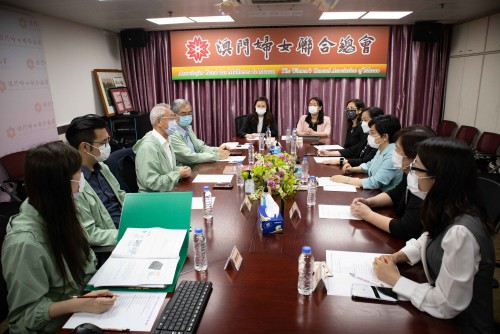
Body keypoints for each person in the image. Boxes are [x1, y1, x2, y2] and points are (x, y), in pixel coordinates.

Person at [373, 137, 495, 333]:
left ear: (439, 178)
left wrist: (395, 280)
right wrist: (398, 257)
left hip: (459, 326)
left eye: (416, 169)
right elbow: (426, 238)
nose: (410, 174)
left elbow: (446, 304)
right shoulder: (448, 206)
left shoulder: (461, 232)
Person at [1, 142, 116, 333]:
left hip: (84, 304)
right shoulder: (24, 244)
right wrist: (80, 304)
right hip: (59, 324)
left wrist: (86, 300)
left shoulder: (62, 210)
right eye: (77, 172)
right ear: (60, 184)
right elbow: (23, 317)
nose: (81, 177)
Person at [349, 125, 436, 240]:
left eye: (397, 149)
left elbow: (406, 229)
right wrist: (369, 202)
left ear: (414, 156)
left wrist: (367, 215)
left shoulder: (424, 183)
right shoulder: (409, 173)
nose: (394, 152)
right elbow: (396, 193)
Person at [66, 114, 122, 245]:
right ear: (85, 147)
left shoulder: (102, 167)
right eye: (103, 143)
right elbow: (90, 234)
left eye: (108, 140)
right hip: (113, 241)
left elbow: (120, 196)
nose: (108, 146)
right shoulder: (75, 184)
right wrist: (126, 234)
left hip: (128, 226)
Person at [331, 115, 402, 192]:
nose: (369, 136)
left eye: (372, 133)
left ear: (385, 136)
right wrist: (354, 169)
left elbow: (374, 183)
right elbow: (370, 165)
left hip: (385, 197)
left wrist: (346, 180)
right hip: (374, 192)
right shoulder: (382, 148)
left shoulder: (393, 156)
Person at [133, 104, 191, 192]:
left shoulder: (166, 140)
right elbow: (151, 183)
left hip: (169, 191)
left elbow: (166, 170)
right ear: (159, 122)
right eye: (171, 119)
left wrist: (180, 170)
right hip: (154, 198)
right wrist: (178, 174)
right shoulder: (148, 148)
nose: (175, 122)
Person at [169, 99, 231, 166]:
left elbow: (200, 148)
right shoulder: (171, 133)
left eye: (189, 113)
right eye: (183, 114)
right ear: (174, 116)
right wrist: (217, 156)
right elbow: (190, 157)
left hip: (197, 167)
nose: (187, 116)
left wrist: (218, 149)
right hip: (185, 172)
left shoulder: (188, 128)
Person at [318, 107, 383, 166]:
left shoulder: (378, 140)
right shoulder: (367, 135)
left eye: (365, 120)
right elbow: (353, 150)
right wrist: (329, 153)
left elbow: (365, 161)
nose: (362, 123)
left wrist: (340, 161)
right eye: (362, 120)